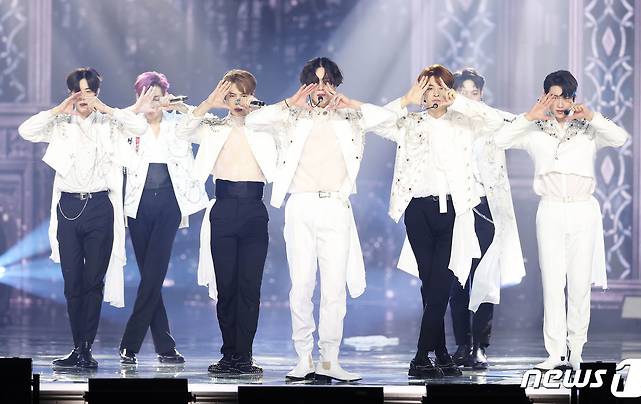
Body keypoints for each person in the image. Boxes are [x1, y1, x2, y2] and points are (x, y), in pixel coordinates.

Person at [246, 57, 397, 382]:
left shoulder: (350, 118)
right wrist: (291, 103)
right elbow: (254, 121)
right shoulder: (291, 118)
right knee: (301, 286)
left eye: (326, 81)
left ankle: (330, 360)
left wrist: (352, 103)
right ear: (305, 87)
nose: (321, 89)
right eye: (314, 82)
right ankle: (304, 357)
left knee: (333, 289)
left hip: (335, 207)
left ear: (335, 85)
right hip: (300, 206)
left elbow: (391, 120)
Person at [374, 64, 518, 379]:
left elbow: (498, 121)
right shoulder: (410, 123)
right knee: (430, 287)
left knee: (441, 285)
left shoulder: (464, 123)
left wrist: (460, 102)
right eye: (429, 88)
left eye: (441, 88)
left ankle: (419, 357)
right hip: (417, 211)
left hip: (454, 211)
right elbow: (374, 123)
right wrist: (406, 99)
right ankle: (439, 353)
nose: (435, 94)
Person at [493, 70, 629, 370]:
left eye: (565, 97)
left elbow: (620, 138)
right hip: (551, 209)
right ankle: (555, 353)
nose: (559, 103)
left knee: (579, 285)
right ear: (544, 97)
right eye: (553, 97)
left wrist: (591, 116)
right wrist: (529, 116)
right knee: (552, 284)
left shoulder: (587, 130)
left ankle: (576, 350)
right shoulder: (534, 130)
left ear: (573, 98)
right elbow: (499, 140)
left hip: (582, 210)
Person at [18, 67, 151, 368]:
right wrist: (58, 110)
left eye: (88, 92)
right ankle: (77, 347)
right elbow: (26, 130)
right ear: (70, 94)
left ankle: (86, 349)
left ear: (96, 93)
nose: (82, 97)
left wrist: (106, 108)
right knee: (72, 283)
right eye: (76, 92)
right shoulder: (60, 124)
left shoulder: (109, 123)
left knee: (93, 282)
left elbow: (139, 127)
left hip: (100, 208)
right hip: (68, 208)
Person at [177, 69, 277, 375]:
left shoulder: (266, 128)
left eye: (243, 95)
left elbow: (287, 123)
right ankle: (228, 354)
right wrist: (209, 103)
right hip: (222, 209)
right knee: (226, 287)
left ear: (253, 95)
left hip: (254, 210)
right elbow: (182, 131)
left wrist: (258, 109)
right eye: (231, 96)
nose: (237, 102)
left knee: (249, 287)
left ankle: (244, 355)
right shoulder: (213, 127)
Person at [119, 71, 209, 366]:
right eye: (146, 97)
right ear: (138, 97)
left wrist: (179, 107)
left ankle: (130, 344)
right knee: (150, 277)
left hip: (169, 203)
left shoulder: (177, 123)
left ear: (165, 97)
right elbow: (114, 124)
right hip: (138, 205)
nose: (152, 103)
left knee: (155, 272)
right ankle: (165, 347)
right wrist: (136, 110)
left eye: (157, 97)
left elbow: (201, 126)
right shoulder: (129, 123)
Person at [447, 68, 525, 369]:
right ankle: (462, 344)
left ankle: (480, 345)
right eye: (462, 92)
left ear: (482, 95)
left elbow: (520, 123)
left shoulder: (493, 122)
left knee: (485, 277)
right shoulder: (445, 124)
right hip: (455, 208)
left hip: (486, 208)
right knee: (457, 279)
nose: (469, 98)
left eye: (474, 93)